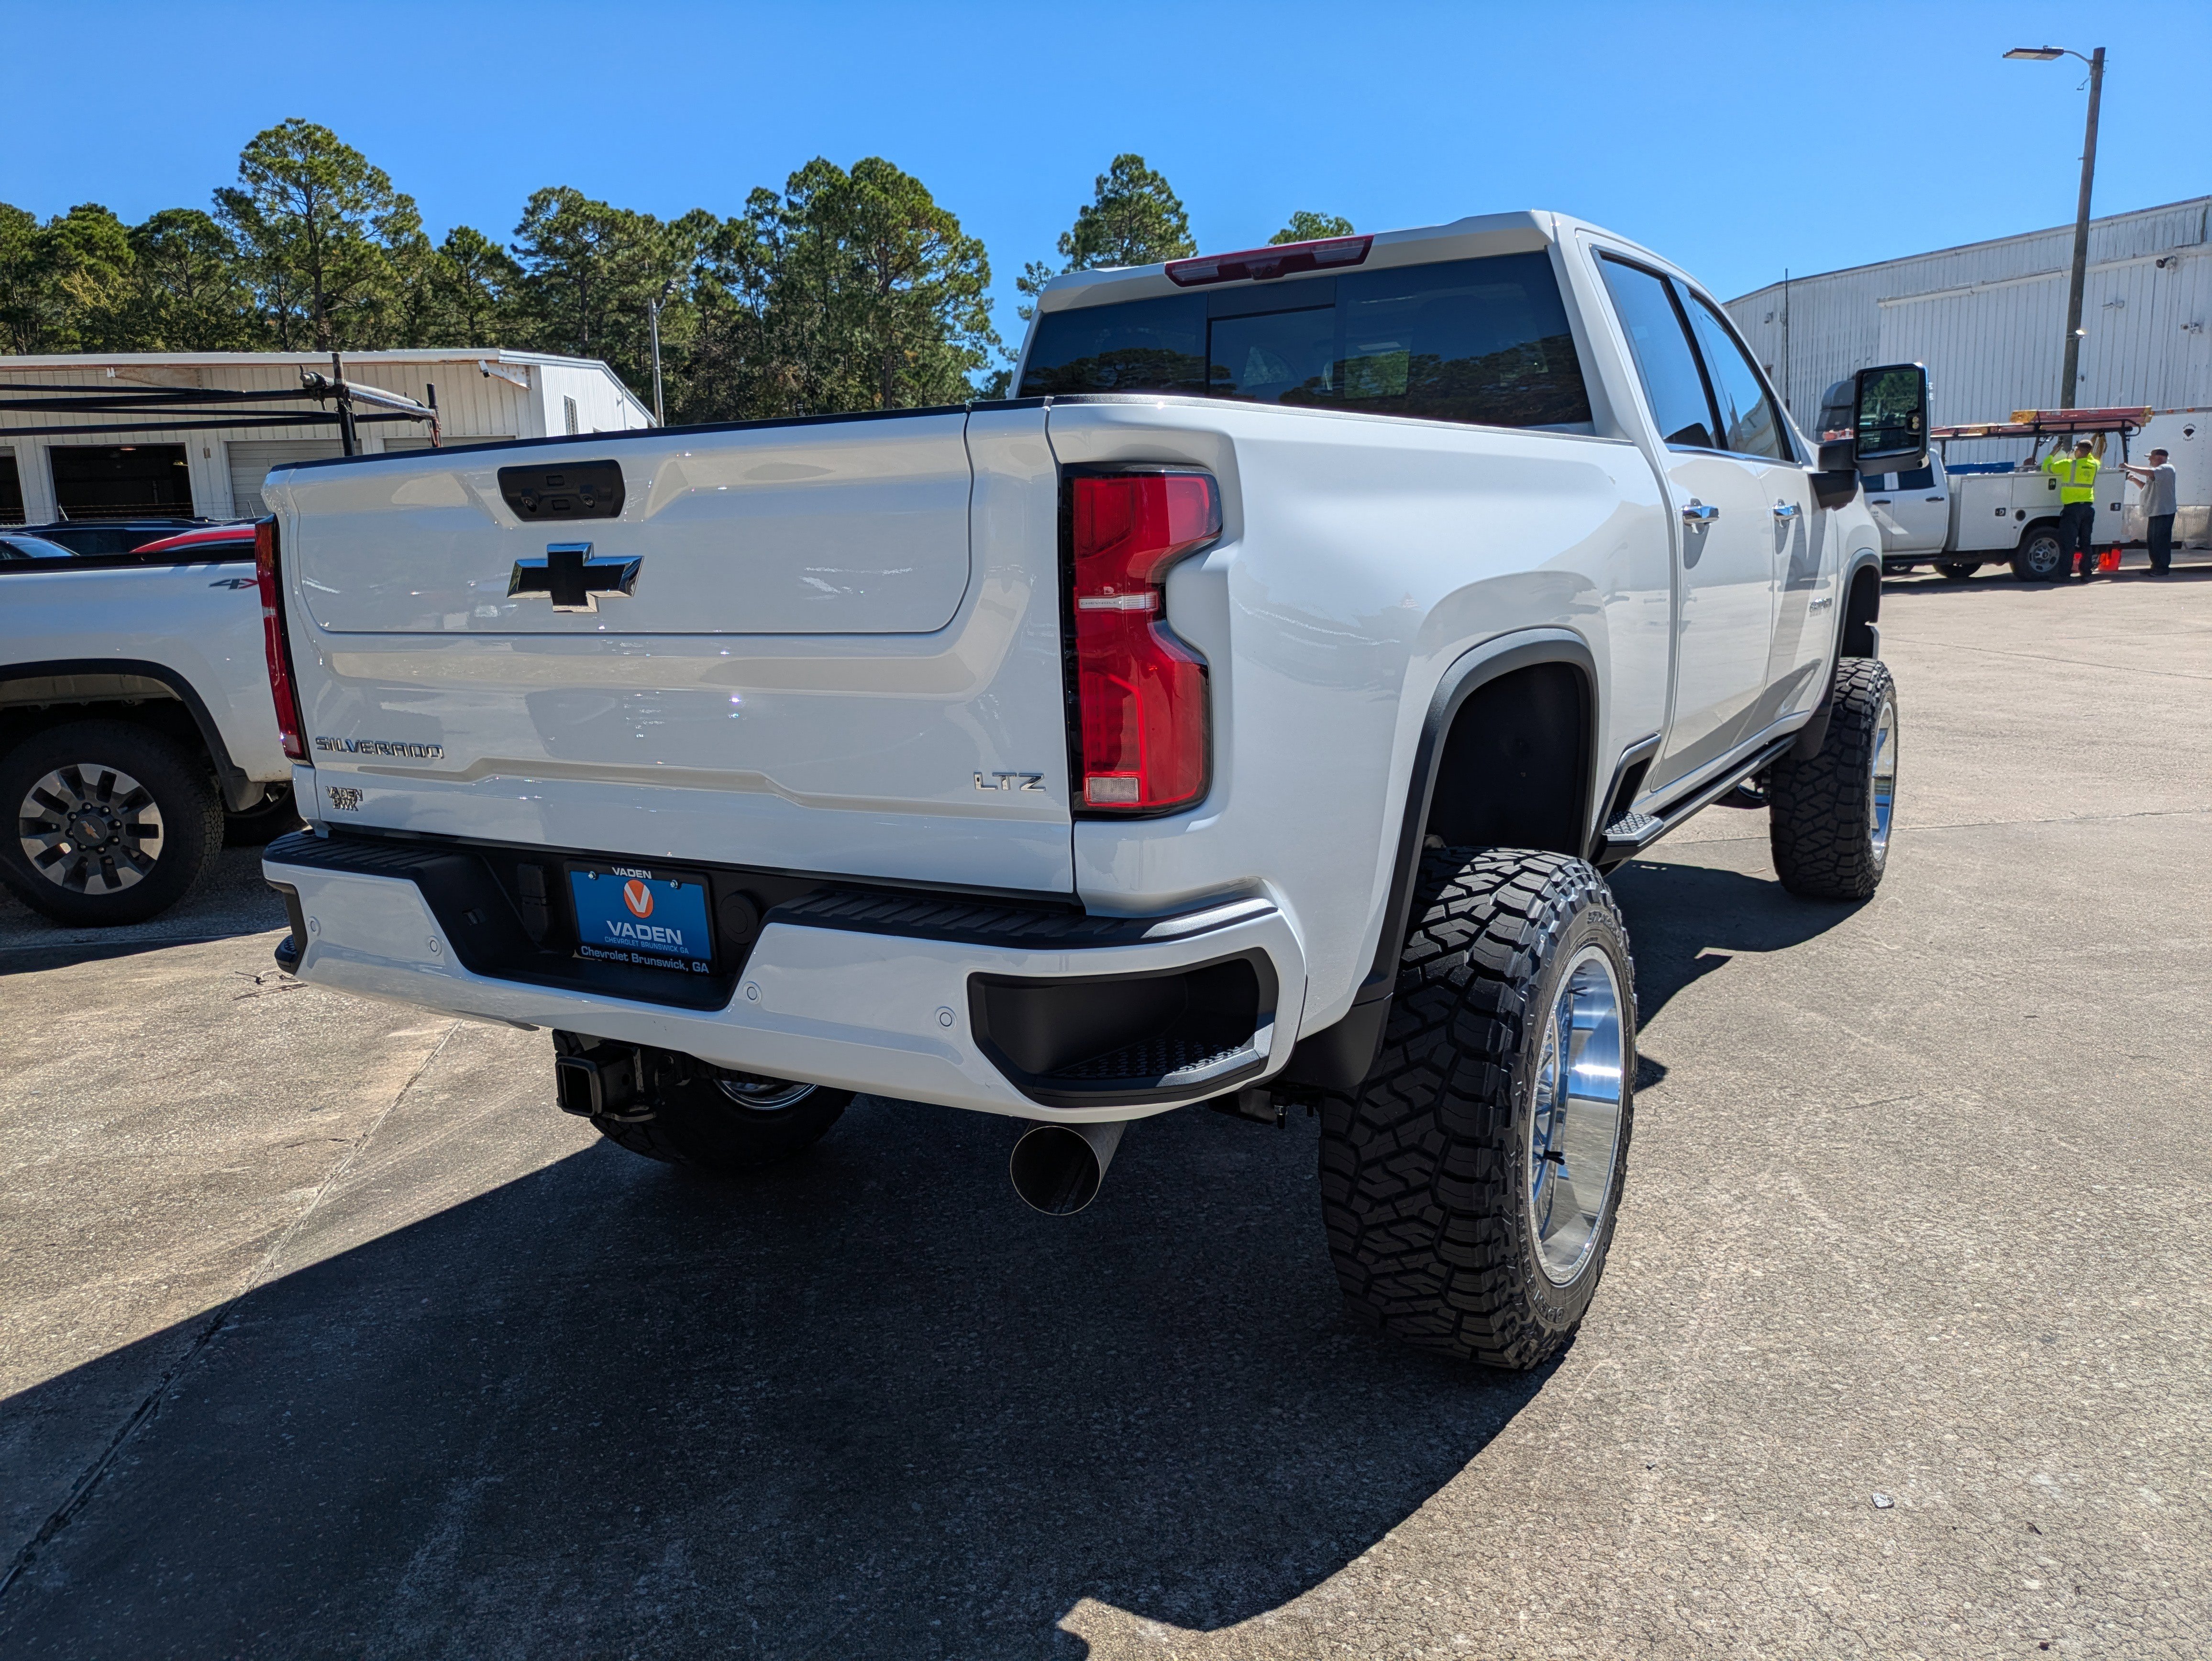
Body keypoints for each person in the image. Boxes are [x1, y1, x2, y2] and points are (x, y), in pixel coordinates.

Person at [2042, 438, 2102, 580]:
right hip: (2088, 509)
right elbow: (2092, 457)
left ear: (2079, 451)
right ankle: (2086, 573)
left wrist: (2053, 452)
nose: (2074, 452)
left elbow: (2047, 468)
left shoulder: (2068, 464)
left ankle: (2064, 575)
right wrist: (2088, 449)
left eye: (2076, 450)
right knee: (2086, 542)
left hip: (2072, 509)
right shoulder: (2095, 465)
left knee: (2068, 543)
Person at [2119, 447, 2178, 575]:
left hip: (2164, 512)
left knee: (2161, 541)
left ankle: (2162, 569)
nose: (2150, 459)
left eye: (2151, 457)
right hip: (2156, 511)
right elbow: (2147, 488)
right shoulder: (2158, 472)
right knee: (2153, 541)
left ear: (2160, 458)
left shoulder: (2167, 468)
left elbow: (2150, 472)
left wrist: (2129, 467)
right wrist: (2135, 480)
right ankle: (2156, 566)